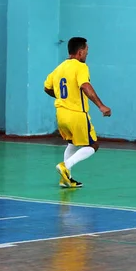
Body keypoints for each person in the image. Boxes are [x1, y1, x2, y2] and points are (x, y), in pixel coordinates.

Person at [44, 37, 111, 188]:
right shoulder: (81, 67)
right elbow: (85, 86)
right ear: (80, 53)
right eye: (86, 52)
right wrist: (101, 106)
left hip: (61, 114)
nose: (87, 55)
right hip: (77, 114)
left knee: (72, 143)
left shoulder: (60, 68)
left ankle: (66, 179)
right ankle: (65, 166)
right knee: (93, 145)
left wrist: (63, 97)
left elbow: (47, 87)